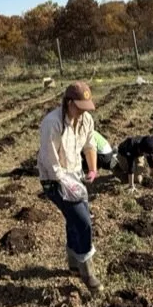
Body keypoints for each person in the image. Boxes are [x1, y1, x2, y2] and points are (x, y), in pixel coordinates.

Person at [37, 81, 101, 294]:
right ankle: (87, 270)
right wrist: (67, 184)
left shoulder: (86, 120)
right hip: (53, 180)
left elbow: (90, 145)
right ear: (69, 103)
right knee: (83, 222)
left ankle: (73, 262)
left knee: (74, 218)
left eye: (86, 107)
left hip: (75, 176)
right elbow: (50, 162)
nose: (83, 112)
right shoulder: (52, 124)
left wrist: (92, 169)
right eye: (80, 107)